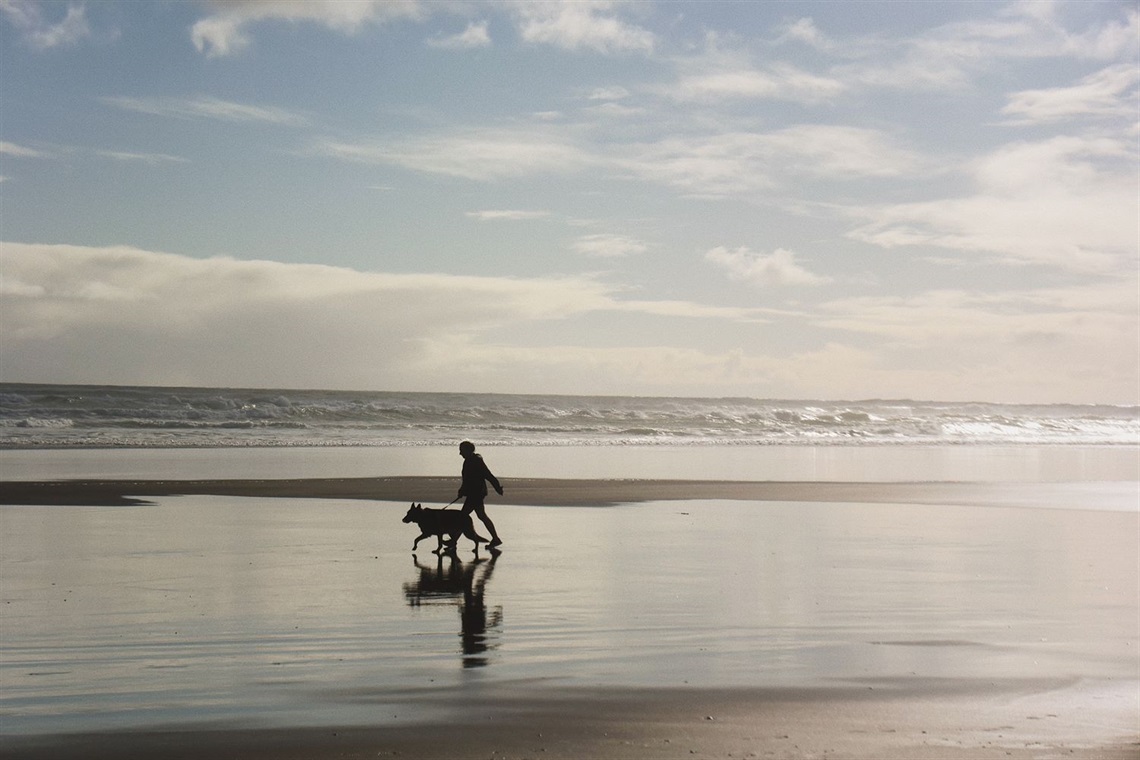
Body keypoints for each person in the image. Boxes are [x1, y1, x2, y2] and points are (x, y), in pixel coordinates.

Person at [457, 440, 503, 548]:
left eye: (461, 451)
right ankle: (495, 539)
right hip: (474, 493)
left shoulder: (476, 461)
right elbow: (467, 480)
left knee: (462, 517)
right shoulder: (468, 460)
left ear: (468, 450)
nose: (460, 453)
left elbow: (488, 475)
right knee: (481, 516)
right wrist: (462, 490)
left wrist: (497, 487)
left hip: (476, 494)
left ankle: (453, 541)